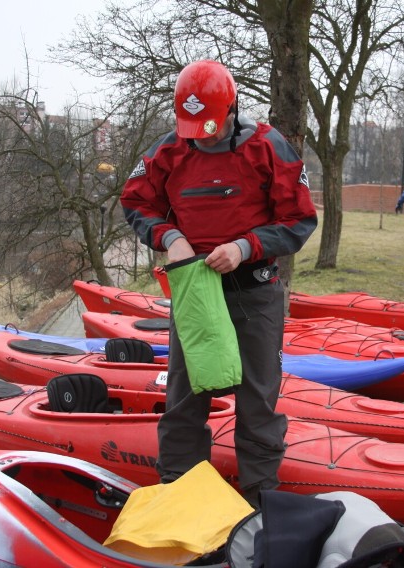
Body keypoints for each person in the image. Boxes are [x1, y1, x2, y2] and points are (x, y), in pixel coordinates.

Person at [120, 59, 318, 508]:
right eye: (194, 128)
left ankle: (260, 498)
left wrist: (245, 247)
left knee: (257, 400)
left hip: (254, 291)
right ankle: (180, 493)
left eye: (210, 126)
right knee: (184, 399)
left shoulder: (269, 147)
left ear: (232, 110)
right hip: (194, 293)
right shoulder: (168, 151)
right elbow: (135, 202)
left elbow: (300, 220)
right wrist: (168, 237)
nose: (202, 137)